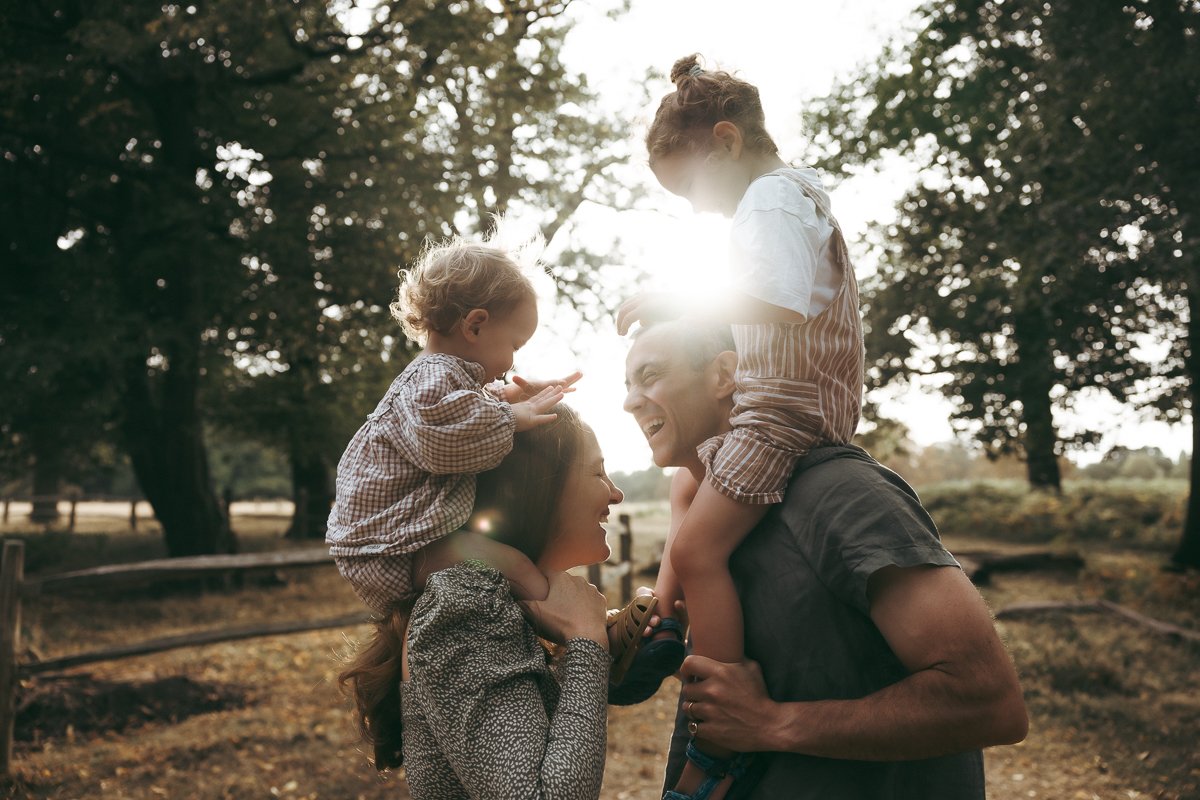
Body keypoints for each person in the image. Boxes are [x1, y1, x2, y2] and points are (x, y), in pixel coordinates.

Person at [622, 319, 1028, 799]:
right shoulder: (703, 515)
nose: (629, 401)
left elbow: (989, 703)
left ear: (724, 374)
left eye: (650, 376)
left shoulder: (841, 494)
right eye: (628, 386)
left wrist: (772, 723)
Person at [615, 54, 865, 797]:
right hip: (769, 402)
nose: (694, 208)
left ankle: (722, 733)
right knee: (689, 491)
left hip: (784, 412)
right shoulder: (789, 197)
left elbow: (781, 300)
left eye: (689, 187)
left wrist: (678, 304)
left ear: (724, 142)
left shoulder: (773, 202)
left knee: (698, 550)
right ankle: (662, 626)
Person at [339, 404, 624, 798]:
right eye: (597, 472)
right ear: (537, 487)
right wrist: (587, 639)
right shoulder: (465, 605)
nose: (616, 492)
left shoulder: (495, 602)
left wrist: (616, 654)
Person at [326, 231, 580, 615]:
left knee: (501, 584)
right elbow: (442, 440)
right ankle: (575, 626)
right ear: (475, 325)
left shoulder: (441, 379)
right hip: (387, 549)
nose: (512, 363)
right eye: (515, 345)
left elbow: (459, 411)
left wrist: (511, 396)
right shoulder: (432, 374)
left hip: (387, 545)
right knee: (519, 572)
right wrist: (513, 417)